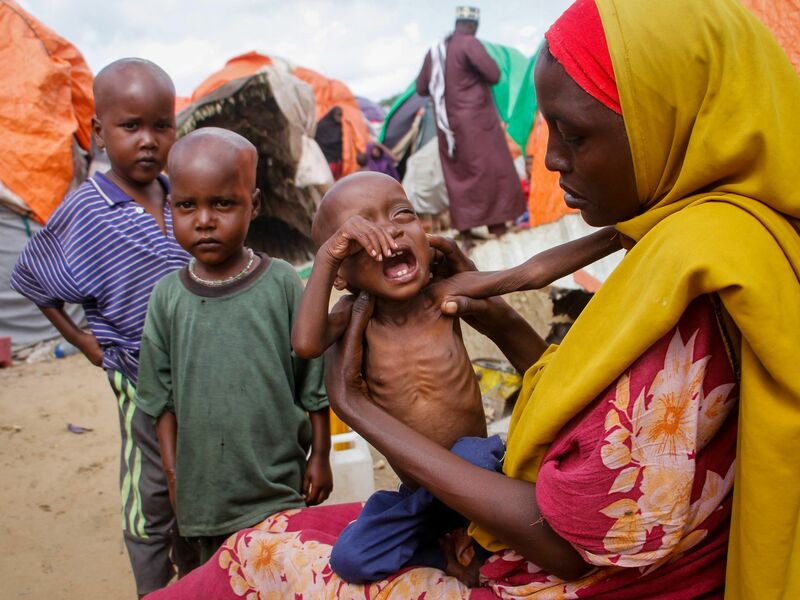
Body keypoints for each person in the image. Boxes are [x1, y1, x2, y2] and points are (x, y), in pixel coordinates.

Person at [143, 0, 800, 597]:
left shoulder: (695, 258)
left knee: (267, 555)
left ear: (666, 117)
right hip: (442, 490)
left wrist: (352, 407)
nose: (551, 163)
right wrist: (347, 264)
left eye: (573, 135)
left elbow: (563, 539)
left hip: (533, 528)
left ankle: (455, 547)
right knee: (353, 550)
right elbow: (308, 342)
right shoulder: (695, 243)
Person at [291, 170, 619, 583]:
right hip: (420, 493)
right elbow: (305, 343)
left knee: (470, 453)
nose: (388, 233)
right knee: (351, 558)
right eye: (361, 234)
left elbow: (531, 272)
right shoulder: (355, 318)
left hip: (481, 467)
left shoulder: (444, 295)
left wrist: (620, 234)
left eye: (402, 214)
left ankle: (474, 536)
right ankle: (451, 549)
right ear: (341, 273)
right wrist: (328, 254)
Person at [10, 58, 197, 597]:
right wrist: (85, 342)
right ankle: (153, 585)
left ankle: (195, 576)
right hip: (138, 376)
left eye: (161, 125)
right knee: (152, 486)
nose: (147, 140)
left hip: (197, 370)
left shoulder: (180, 195)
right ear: (98, 132)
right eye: (130, 126)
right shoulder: (87, 210)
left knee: (196, 476)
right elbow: (33, 277)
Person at [135, 128, 332, 568]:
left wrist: (320, 455)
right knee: (217, 580)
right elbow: (161, 402)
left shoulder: (281, 282)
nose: (204, 220)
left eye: (222, 204)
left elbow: (313, 381)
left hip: (280, 485)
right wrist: (173, 477)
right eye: (188, 206)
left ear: (254, 205)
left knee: (284, 574)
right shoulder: (167, 297)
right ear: (172, 209)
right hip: (205, 495)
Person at [415, 6, 525, 251]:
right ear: (473, 25)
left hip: (449, 130)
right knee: (490, 172)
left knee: (460, 178)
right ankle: (498, 229)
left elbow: (422, 88)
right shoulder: (468, 44)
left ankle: (465, 234)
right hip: (478, 124)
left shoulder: (435, 52)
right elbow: (493, 73)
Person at [315, 106, 344, 180]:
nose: (339, 117)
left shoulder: (341, 127)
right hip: (323, 158)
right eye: (337, 115)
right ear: (332, 114)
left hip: (336, 160)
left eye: (341, 115)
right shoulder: (321, 126)